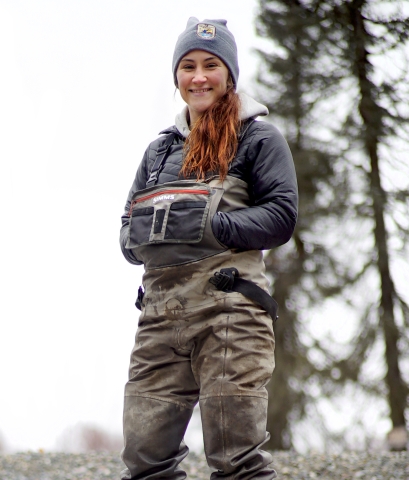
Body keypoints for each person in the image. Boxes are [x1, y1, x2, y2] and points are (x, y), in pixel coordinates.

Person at [119, 17, 298, 480]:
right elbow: (127, 226)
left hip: (231, 312)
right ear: (177, 76)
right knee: (144, 461)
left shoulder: (259, 138)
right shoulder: (158, 152)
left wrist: (210, 226)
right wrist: (136, 238)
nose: (199, 77)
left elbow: (281, 217)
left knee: (236, 460)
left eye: (211, 65)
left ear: (230, 74)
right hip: (160, 316)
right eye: (189, 66)